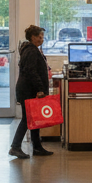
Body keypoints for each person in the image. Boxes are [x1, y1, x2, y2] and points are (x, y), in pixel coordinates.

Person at [10, 24, 54, 160]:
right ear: (33, 37)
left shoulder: (31, 49)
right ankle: (15, 147)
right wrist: (40, 88)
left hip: (29, 89)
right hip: (28, 90)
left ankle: (37, 146)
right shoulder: (31, 51)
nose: (42, 39)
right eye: (40, 37)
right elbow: (32, 72)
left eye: (43, 37)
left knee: (35, 119)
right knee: (27, 119)